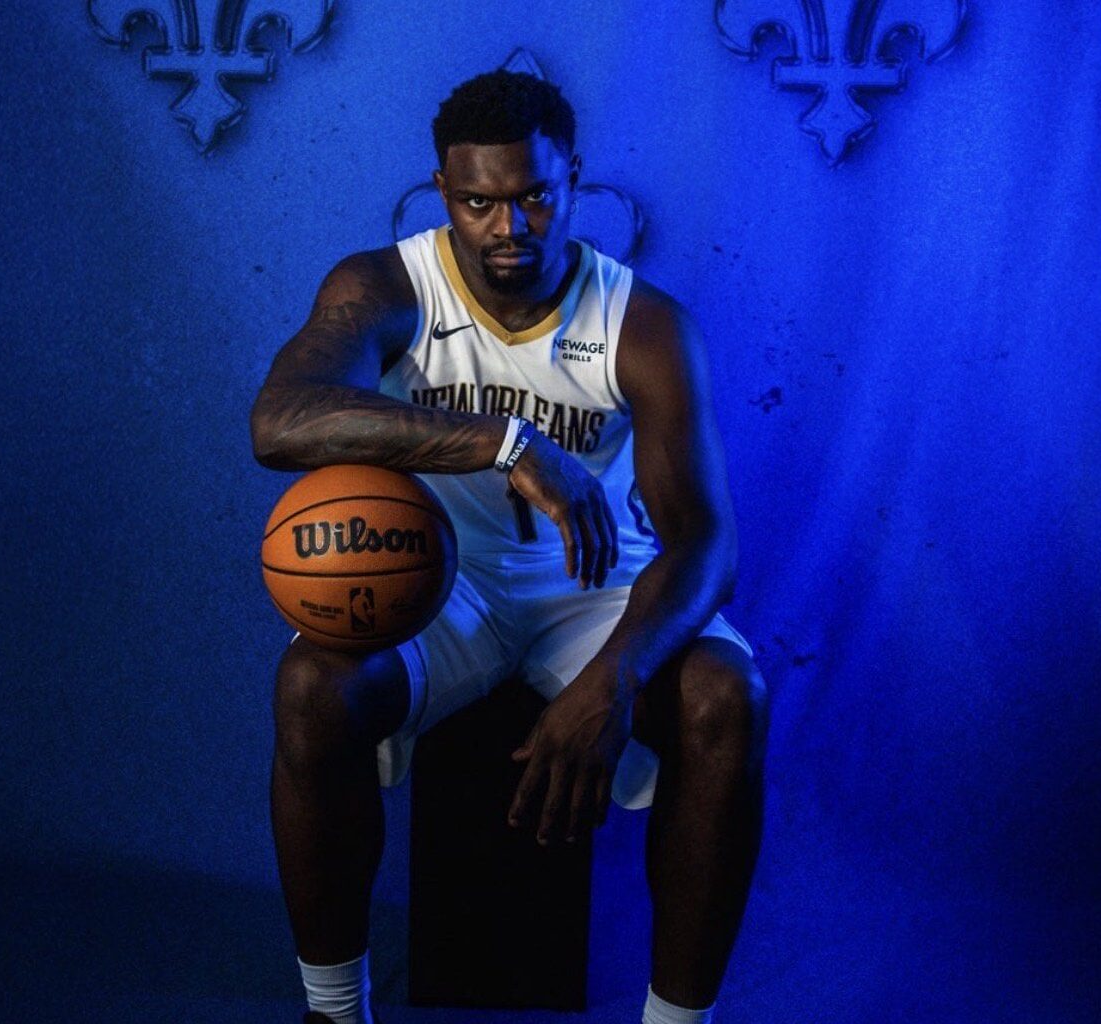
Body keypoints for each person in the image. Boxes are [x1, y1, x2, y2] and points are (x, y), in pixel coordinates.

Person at [250, 70, 767, 1024]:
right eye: (477, 201)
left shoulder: (642, 326)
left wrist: (611, 682)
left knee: (726, 699)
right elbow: (280, 421)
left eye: (533, 196)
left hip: (597, 592)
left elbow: (705, 542)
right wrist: (504, 443)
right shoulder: (388, 287)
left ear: (573, 178)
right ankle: (332, 1011)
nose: (508, 226)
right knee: (310, 691)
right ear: (443, 192)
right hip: (443, 589)